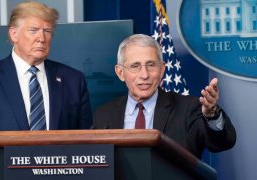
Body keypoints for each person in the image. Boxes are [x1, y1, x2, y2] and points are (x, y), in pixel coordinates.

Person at [0, 1, 92, 179]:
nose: (42, 38)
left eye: (48, 31)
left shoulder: (73, 80)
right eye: (33, 30)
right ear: (14, 34)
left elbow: (87, 145)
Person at [92, 34, 236, 158]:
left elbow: (222, 143)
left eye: (151, 65)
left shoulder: (188, 109)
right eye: (135, 66)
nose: (144, 75)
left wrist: (211, 115)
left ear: (162, 70)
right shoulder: (103, 115)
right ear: (120, 72)